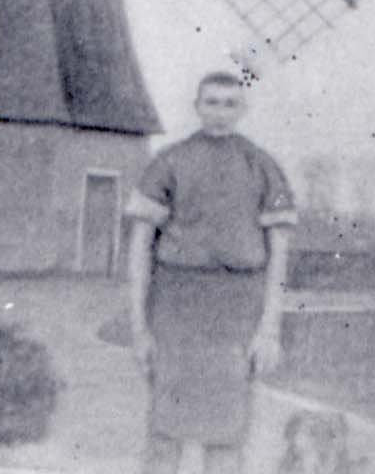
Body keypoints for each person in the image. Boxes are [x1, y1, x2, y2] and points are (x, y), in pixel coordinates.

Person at [125, 70, 297, 474]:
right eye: (212, 102)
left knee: (227, 433)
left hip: (237, 310)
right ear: (197, 107)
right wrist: (139, 328)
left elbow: (279, 253)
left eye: (229, 104)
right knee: (165, 431)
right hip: (176, 308)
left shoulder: (262, 165)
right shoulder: (169, 162)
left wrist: (269, 330)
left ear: (242, 109)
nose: (220, 112)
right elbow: (139, 247)